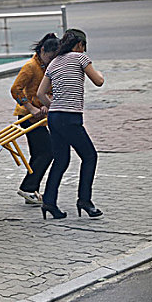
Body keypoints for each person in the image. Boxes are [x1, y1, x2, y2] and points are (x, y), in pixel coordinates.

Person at [37, 29, 105, 219]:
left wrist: (55, 106)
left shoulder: (54, 62)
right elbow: (98, 81)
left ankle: (49, 202)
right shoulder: (80, 58)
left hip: (55, 117)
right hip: (70, 118)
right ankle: (85, 200)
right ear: (80, 45)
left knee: (61, 160)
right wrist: (98, 72)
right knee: (89, 156)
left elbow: (40, 95)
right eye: (83, 47)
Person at [10, 33, 59, 205]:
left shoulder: (48, 69)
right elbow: (16, 89)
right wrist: (31, 108)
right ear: (42, 50)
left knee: (39, 154)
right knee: (47, 152)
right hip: (26, 116)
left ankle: (31, 190)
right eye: (49, 57)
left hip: (38, 117)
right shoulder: (30, 66)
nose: (50, 61)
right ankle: (28, 188)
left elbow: (49, 91)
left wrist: (46, 104)